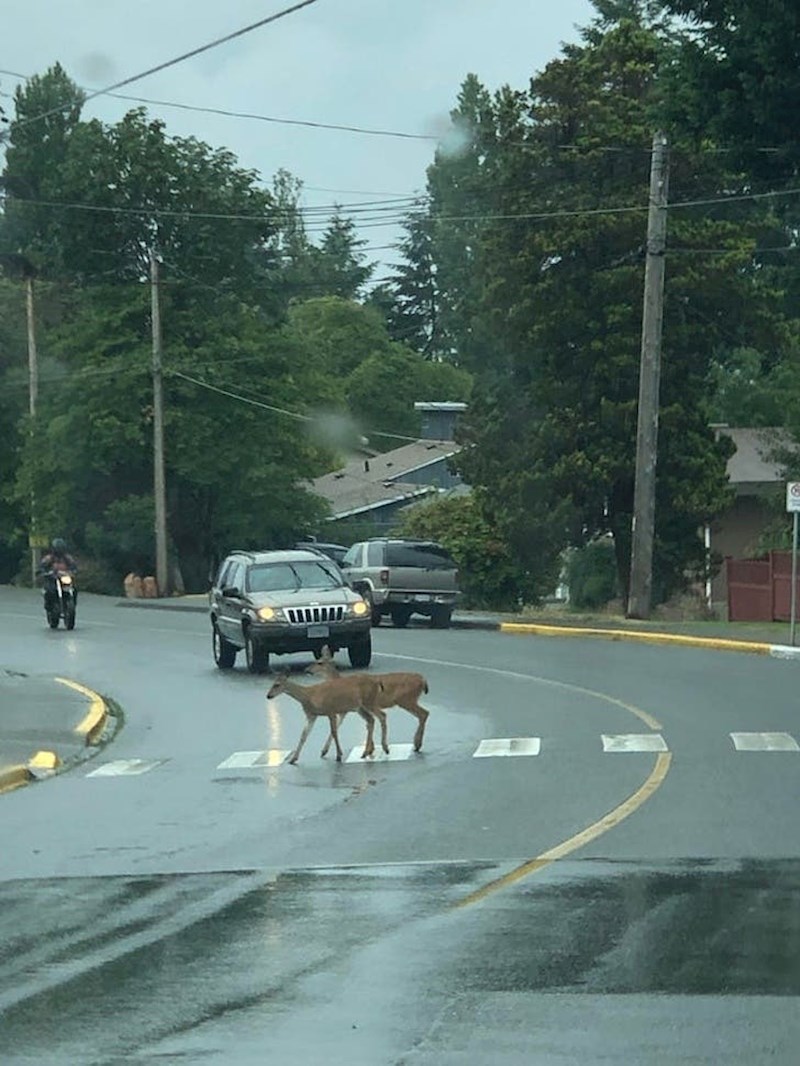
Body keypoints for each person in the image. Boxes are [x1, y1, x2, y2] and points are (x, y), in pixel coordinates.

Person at [39, 538, 78, 609]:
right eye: (58, 548)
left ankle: (72, 603)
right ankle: (49, 604)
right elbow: (42, 565)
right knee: (49, 590)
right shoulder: (49, 558)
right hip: (53, 579)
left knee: (74, 589)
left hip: (64, 578)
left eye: (60, 548)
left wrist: (73, 571)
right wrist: (44, 571)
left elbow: (73, 565)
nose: (59, 550)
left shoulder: (67, 558)